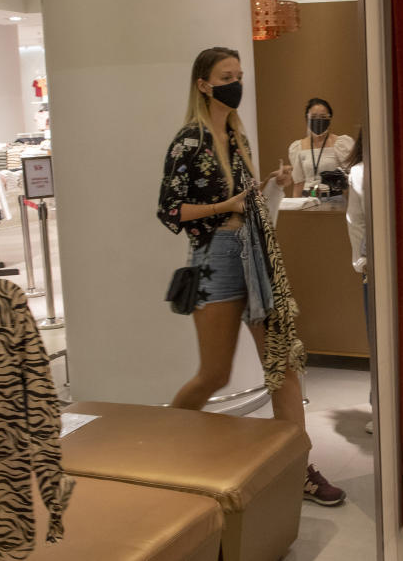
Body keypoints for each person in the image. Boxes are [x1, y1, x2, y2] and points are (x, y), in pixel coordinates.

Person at [157, 46, 346, 506]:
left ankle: (298, 468)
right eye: (227, 76)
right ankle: (161, 444)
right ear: (204, 84)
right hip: (214, 257)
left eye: (239, 75)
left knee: (283, 366)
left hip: (255, 252)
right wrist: (228, 206)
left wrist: (270, 187)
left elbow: (245, 200)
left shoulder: (237, 139)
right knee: (214, 374)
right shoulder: (189, 142)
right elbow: (171, 211)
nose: (235, 83)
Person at [343, 136, 373, 434]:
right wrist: (361, 262)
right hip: (374, 264)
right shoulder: (360, 172)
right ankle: (381, 406)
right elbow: (356, 221)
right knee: (377, 337)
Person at [288, 98, 354, 209]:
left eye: (323, 117)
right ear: (307, 119)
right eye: (313, 117)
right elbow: (298, 183)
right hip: (307, 202)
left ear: (330, 119)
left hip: (335, 202)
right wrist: (296, 209)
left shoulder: (341, 144)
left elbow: (350, 181)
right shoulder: (298, 147)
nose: (318, 120)